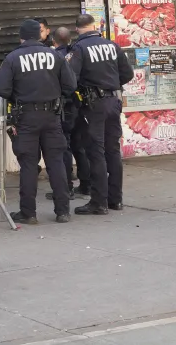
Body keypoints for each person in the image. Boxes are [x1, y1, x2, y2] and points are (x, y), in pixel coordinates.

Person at [0, 20, 76, 224]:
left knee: (29, 165)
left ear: (21, 37)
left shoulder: (13, 58)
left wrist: (18, 96)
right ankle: (63, 211)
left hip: (27, 117)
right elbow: (70, 84)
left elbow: (1, 88)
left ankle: (28, 213)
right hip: (52, 116)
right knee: (56, 163)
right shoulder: (55, 55)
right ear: (41, 35)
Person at [65, 14, 134, 216]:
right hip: (113, 101)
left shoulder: (78, 49)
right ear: (94, 26)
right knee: (112, 150)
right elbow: (127, 74)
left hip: (93, 104)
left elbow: (70, 79)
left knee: (95, 151)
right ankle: (116, 199)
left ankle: (99, 202)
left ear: (77, 29)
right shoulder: (112, 46)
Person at [47, 27, 90, 201]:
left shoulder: (54, 58)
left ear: (53, 41)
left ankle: (67, 188)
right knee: (79, 146)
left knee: (63, 148)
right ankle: (86, 185)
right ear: (70, 40)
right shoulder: (76, 53)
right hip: (78, 106)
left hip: (63, 107)